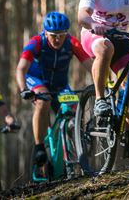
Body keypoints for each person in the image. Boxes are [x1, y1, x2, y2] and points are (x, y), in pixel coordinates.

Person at [16, 11, 93, 165]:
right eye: (53, 35)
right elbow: (21, 69)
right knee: (44, 101)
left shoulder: (72, 43)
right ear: (46, 32)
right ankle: (39, 147)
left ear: (67, 33)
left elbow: (92, 66)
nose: (57, 39)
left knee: (75, 109)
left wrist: (102, 84)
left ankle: (72, 152)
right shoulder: (36, 42)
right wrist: (24, 89)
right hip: (36, 80)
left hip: (60, 85)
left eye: (62, 35)